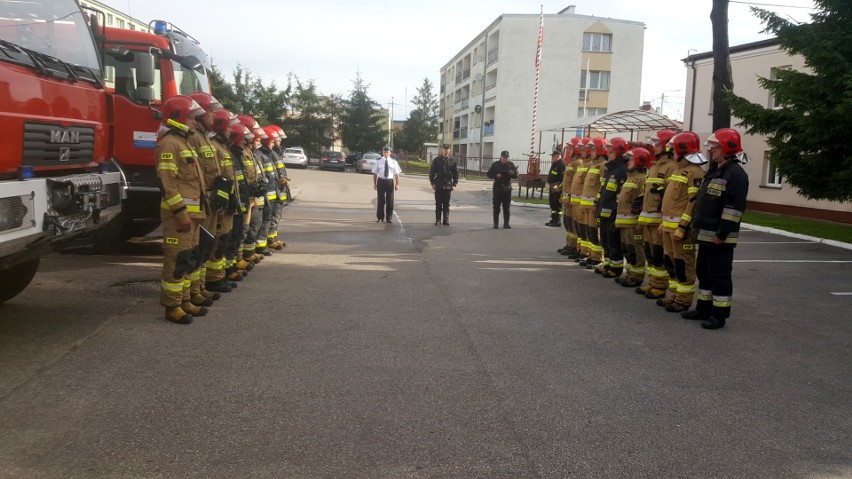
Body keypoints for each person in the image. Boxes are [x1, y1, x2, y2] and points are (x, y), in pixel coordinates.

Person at [682, 128, 749, 329]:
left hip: (720, 238)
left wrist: (722, 233)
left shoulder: (735, 174)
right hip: (705, 235)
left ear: (728, 148)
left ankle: (719, 315)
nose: (712, 151)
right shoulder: (715, 170)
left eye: (715, 147)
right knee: (704, 272)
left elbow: (733, 209)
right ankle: (703, 308)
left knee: (719, 276)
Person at [156, 95, 207, 324]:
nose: (195, 122)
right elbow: (168, 183)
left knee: (188, 258)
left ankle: (184, 300)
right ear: (178, 118)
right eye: (192, 118)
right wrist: (180, 212)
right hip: (179, 216)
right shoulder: (170, 143)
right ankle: (172, 306)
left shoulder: (184, 142)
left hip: (193, 215)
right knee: (176, 261)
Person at [658, 131, 707, 313]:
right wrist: (665, 223)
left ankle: (684, 300)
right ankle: (674, 295)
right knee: (671, 263)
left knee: (683, 264)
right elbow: (671, 202)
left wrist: (683, 227)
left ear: (683, 150)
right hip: (669, 226)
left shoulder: (695, 172)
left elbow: (692, 203)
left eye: (675, 150)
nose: (672, 154)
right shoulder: (678, 170)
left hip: (681, 230)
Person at [635, 129, 678, 298]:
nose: (654, 147)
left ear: (667, 145)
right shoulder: (654, 166)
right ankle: (653, 282)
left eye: (657, 144)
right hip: (647, 218)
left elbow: (671, 195)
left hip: (658, 218)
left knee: (660, 254)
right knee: (650, 252)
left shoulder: (671, 167)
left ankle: (661, 286)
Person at [614, 147, 652, 287]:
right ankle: (629, 273)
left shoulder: (642, 180)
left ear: (640, 161)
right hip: (624, 223)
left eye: (631, 159)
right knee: (627, 249)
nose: (628, 162)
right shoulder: (630, 177)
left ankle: (636, 277)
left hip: (633, 223)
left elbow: (643, 202)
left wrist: (639, 222)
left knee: (635, 250)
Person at [595, 137, 629, 277]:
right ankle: (607, 263)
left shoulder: (622, 170)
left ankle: (616, 268)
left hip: (613, 212)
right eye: (607, 150)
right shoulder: (610, 169)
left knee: (614, 241)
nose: (607, 153)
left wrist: (616, 212)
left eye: (610, 151)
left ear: (619, 152)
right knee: (605, 239)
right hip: (604, 211)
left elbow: (621, 194)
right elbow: (603, 190)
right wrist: (597, 204)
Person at [558, 138, 580, 255]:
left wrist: (570, 196)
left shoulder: (578, 163)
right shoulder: (571, 163)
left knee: (573, 223)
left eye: (571, 148)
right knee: (567, 223)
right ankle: (569, 244)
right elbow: (567, 182)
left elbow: (576, 184)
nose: (568, 150)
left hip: (573, 200)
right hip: (567, 198)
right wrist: (563, 195)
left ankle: (574, 246)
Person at [486, 150, 518, 228]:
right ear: (501, 157)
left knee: (506, 207)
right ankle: (496, 224)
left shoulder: (510, 165)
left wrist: (513, 173)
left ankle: (506, 223)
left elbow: (516, 176)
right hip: (497, 187)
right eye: (504, 157)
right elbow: (488, 174)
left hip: (507, 188)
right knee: (496, 207)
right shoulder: (495, 165)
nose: (505, 159)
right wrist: (496, 175)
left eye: (506, 157)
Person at [429, 144, 458, 226]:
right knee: (438, 203)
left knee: (446, 204)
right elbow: (432, 173)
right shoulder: (436, 160)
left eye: (447, 149)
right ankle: (438, 220)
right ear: (442, 150)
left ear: (449, 150)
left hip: (448, 184)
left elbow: (456, 173)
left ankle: (446, 220)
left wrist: (454, 184)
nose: (446, 151)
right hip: (439, 184)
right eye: (445, 149)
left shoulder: (453, 161)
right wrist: (432, 183)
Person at [372, 146, 401, 223]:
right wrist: (375, 184)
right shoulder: (378, 161)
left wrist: (397, 184)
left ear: (390, 153)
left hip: (390, 182)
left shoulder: (394, 162)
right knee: (380, 200)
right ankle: (380, 217)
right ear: (382, 152)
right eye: (384, 152)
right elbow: (375, 174)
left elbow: (397, 174)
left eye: (387, 152)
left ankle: (389, 218)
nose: (385, 153)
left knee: (390, 200)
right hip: (381, 181)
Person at [545, 150, 565, 226]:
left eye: (553, 156)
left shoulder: (561, 164)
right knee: (553, 204)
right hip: (552, 187)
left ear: (557, 156)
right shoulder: (555, 164)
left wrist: (559, 186)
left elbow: (563, 178)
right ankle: (553, 219)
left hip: (557, 188)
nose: (552, 158)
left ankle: (558, 221)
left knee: (557, 205)